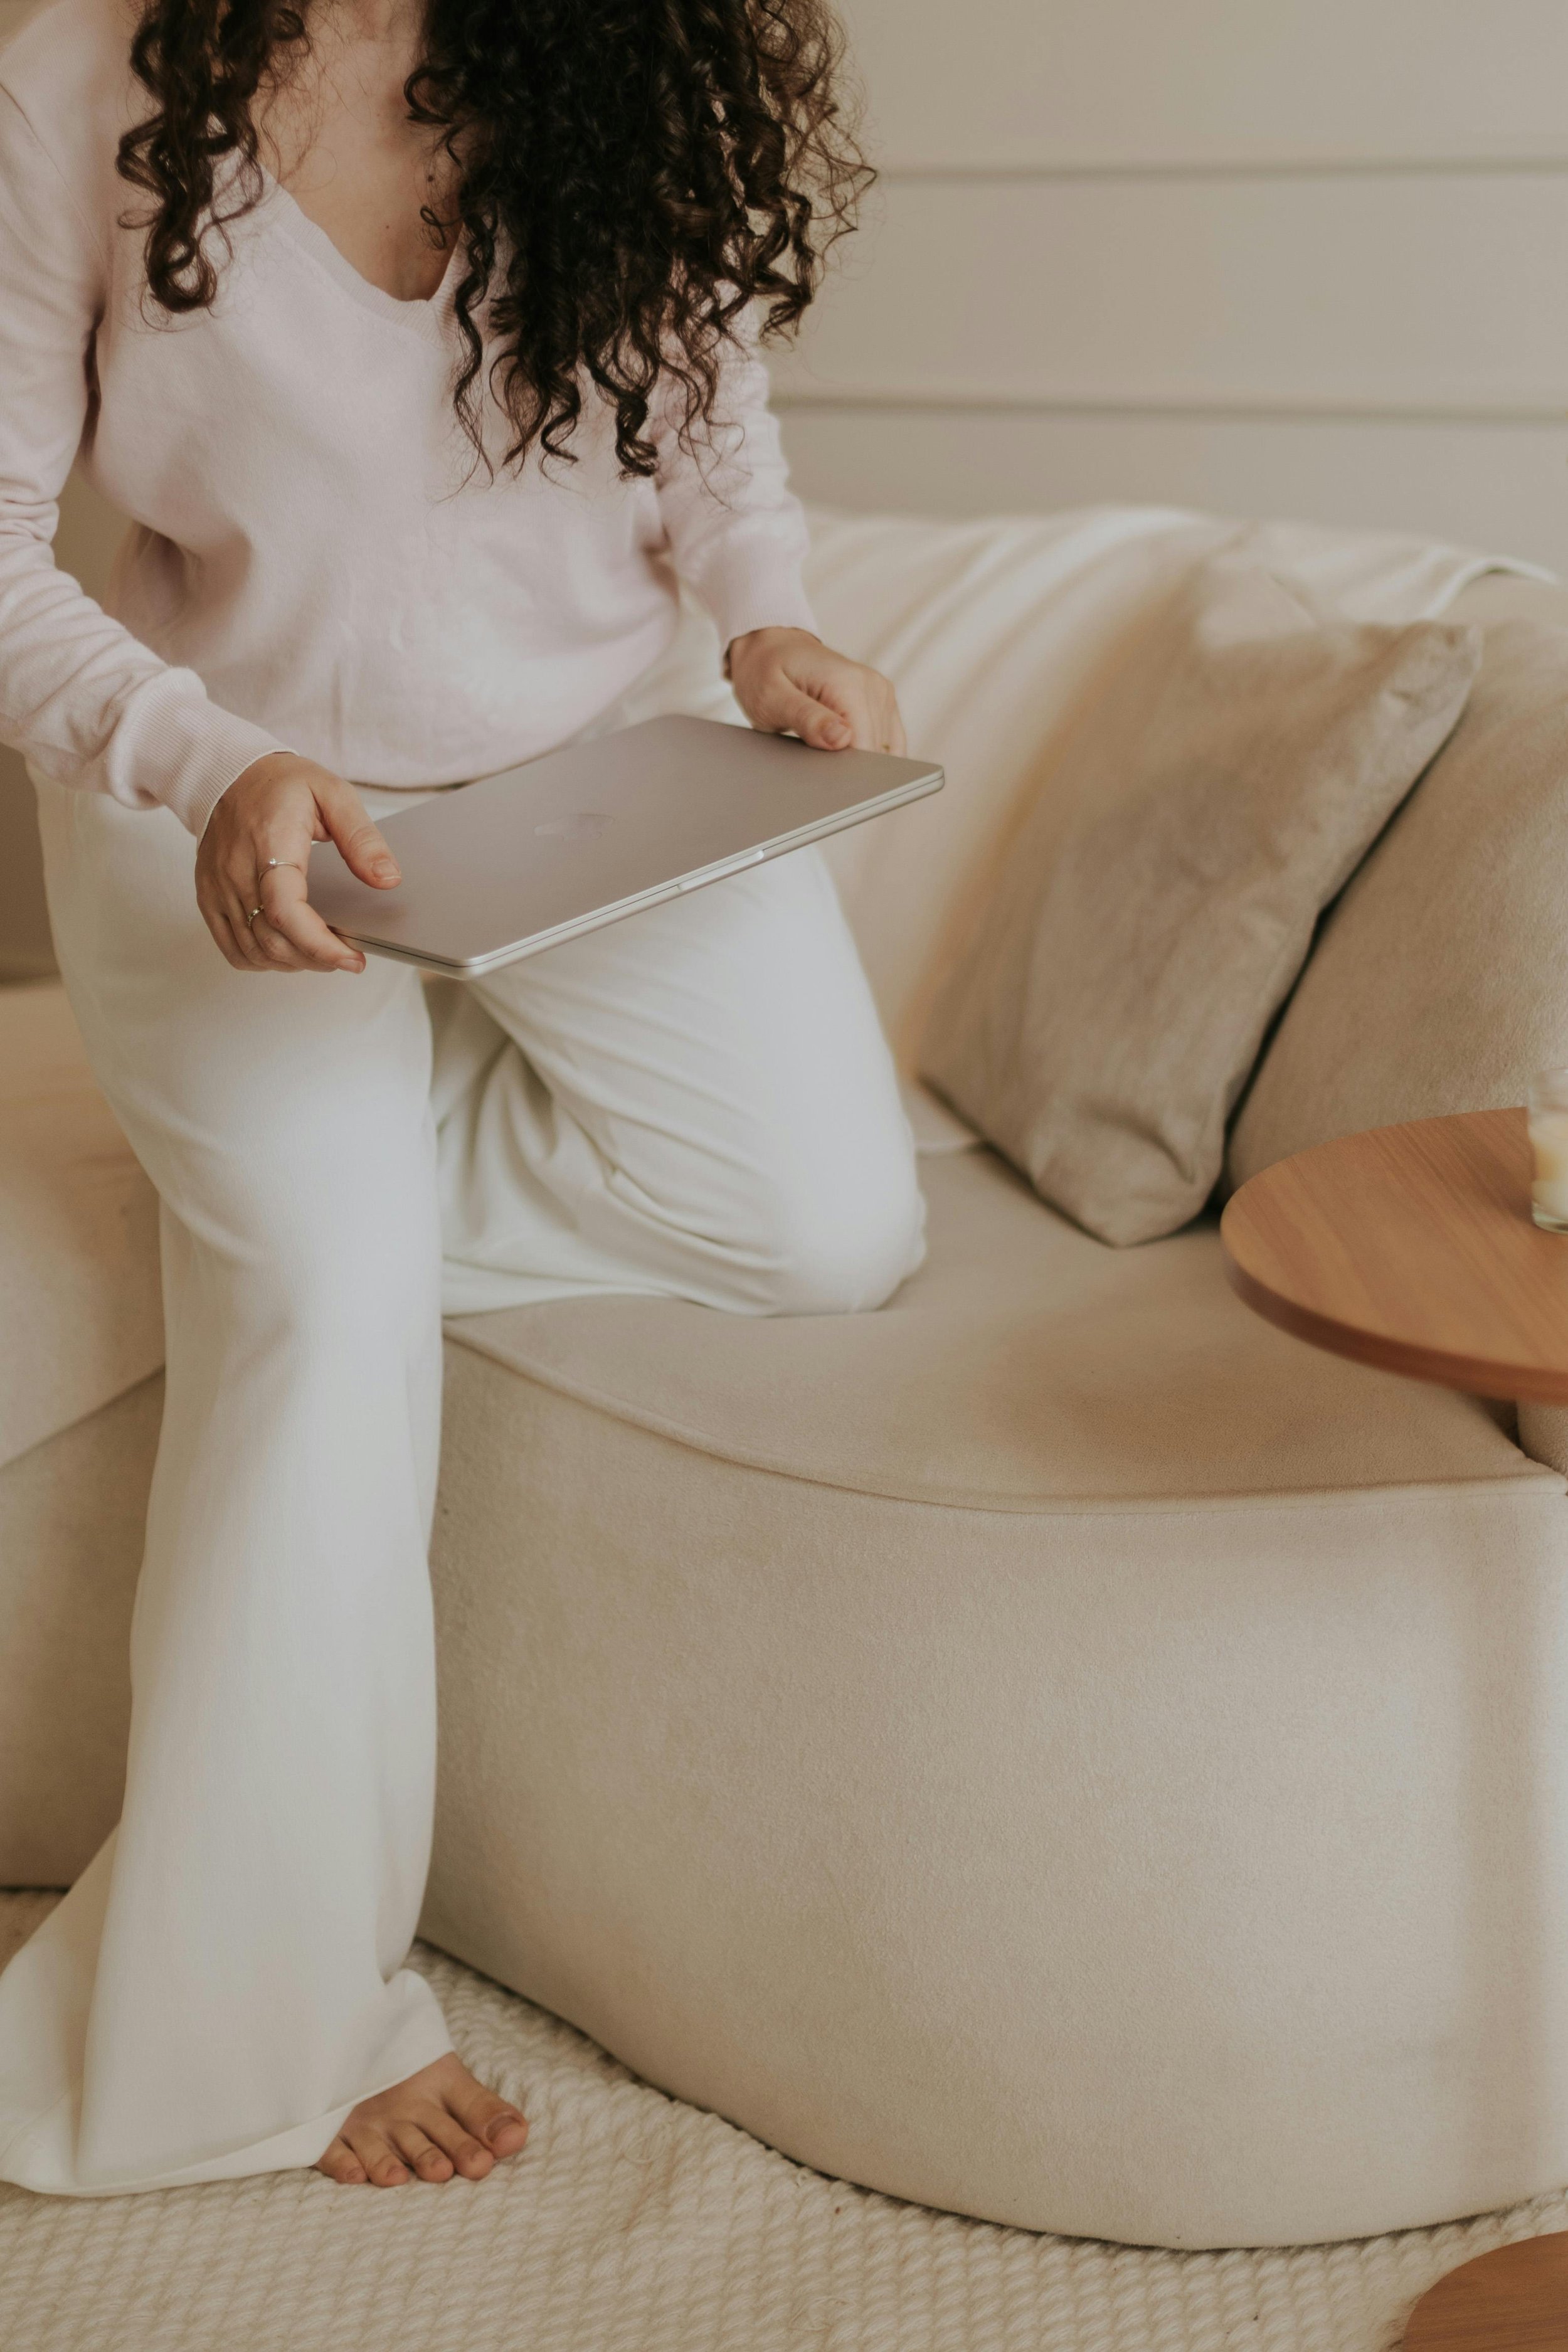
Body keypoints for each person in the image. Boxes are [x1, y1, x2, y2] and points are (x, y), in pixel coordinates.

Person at [0, 0, 925, 2195]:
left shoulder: (632, 56)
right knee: (319, 1319)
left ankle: (334, 1180)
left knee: (828, 1226)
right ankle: (274, 2027)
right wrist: (208, 768)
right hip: (225, 810)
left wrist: (768, 626)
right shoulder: (67, 80)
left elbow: (715, 442)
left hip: (588, 787)